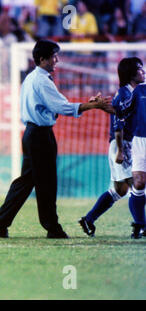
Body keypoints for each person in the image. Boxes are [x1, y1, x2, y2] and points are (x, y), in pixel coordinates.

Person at [0, 39, 114, 239]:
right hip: (40, 135)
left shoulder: (33, 78)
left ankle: (0, 222)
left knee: (26, 182)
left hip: (33, 134)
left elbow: (58, 104)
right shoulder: (42, 81)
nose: (57, 60)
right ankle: (52, 227)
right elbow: (61, 107)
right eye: (54, 56)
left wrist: (87, 104)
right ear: (42, 59)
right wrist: (93, 106)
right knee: (46, 182)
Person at [79, 57, 145, 237]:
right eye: (140, 69)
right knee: (137, 185)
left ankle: (89, 219)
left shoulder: (133, 92)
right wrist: (121, 150)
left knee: (120, 190)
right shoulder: (125, 93)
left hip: (127, 144)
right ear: (131, 74)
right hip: (122, 144)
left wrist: (103, 106)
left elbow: (118, 111)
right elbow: (119, 122)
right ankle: (141, 226)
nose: (143, 71)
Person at [127, 72, 146, 239]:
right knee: (139, 183)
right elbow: (124, 111)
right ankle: (140, 224)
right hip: (140, 140)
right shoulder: (139, 91)